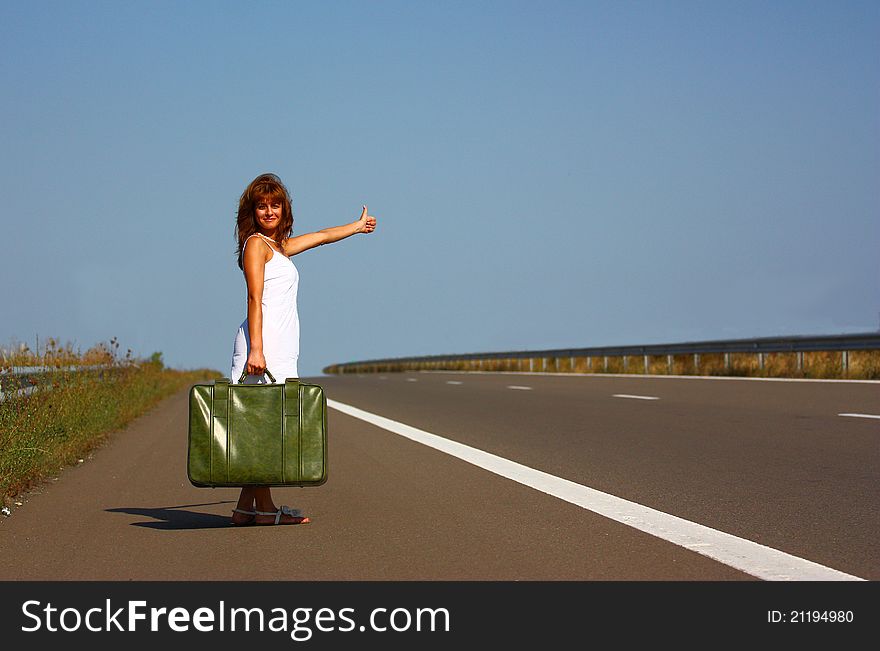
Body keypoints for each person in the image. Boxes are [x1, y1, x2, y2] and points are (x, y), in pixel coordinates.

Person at [228, 173, 377, 526]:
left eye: (275, 205)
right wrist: (257, 350)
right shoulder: (255, 245)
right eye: (262, 206)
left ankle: (243, 508)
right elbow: (254, 297)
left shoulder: (278, 247)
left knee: (262, 426)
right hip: (262, 347)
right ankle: (264, 510)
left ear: (284, 209)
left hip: (277, 346)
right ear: (253, 211)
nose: (269, 211)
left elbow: (322, 237)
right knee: (266, 428)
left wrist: (355, 227)